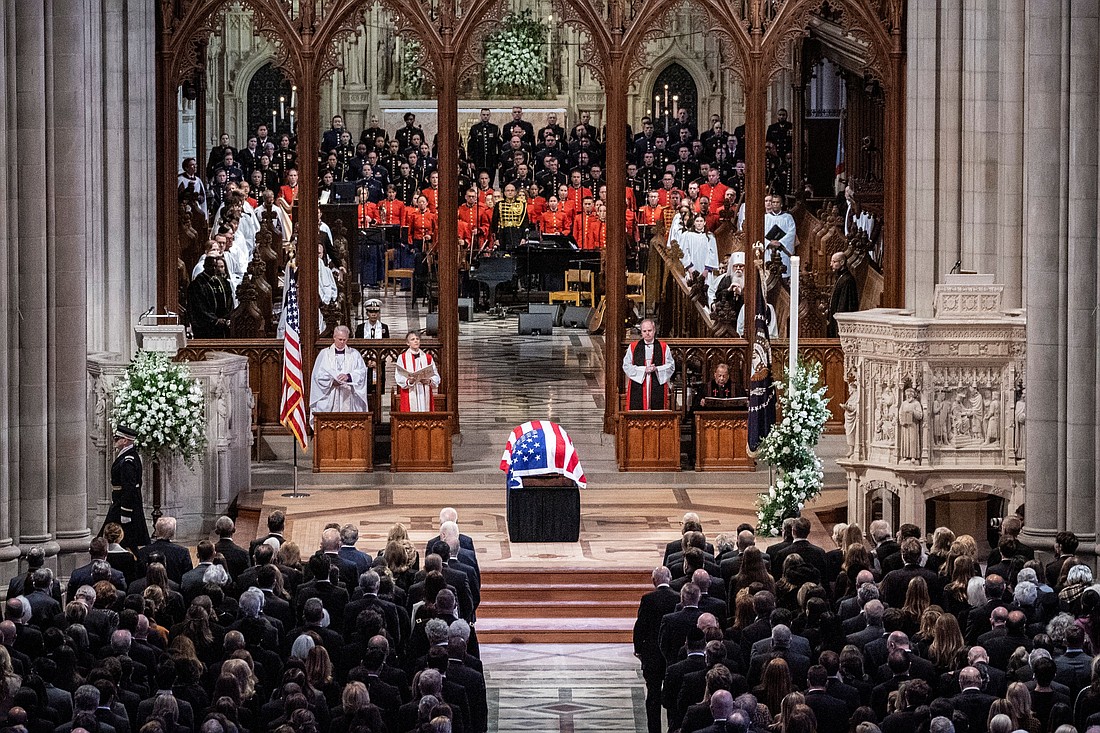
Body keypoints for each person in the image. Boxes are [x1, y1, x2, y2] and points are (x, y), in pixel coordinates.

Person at [309, 325, 370, 424]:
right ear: (334, 337)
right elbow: (318, 376)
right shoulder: (324, 354)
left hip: (348, 395)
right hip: (330, 395)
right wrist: (331, 381)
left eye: (344, 340)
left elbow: (361, 372)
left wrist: (349, 377)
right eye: (340, 339)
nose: (342, 342)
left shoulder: (354, 354)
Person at [101, 425, 150, 550]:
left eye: (117, 439)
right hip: (120, 501)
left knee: (116, 538)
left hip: (124, 505)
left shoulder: (128, 460)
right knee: (127, 539)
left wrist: (125, 511)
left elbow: (129, 488)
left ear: (125, 441)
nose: (115, 441)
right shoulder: (127, 456)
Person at [622, 319, 675, 410]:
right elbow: (626, 366)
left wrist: (657, 369)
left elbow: (671, 366)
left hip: (657, 381)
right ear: (641, 332)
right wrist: (643, 370)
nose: (647, 333)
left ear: (654, 330)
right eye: (644, 331)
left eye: (649, 330)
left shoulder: (663, 347)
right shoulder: (634, 347)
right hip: (639, 382)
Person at [187, 255, 233, 338]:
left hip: (223, 326)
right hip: (207, 328)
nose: (214, 269)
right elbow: (199, 307)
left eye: (216, 266)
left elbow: (230, 301)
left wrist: (227, 318)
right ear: (205, 266)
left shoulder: (223, 282)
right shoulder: (197, 285)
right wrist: (215, 320)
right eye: (211, 266)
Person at [395, 332, 440, 412]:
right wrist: (409, 381)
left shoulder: (428, 357)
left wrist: (429, 381)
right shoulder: (402, 358)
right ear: (407, 343)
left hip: (424, 391)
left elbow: (436, 376)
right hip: (409, 391)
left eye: (417, 339)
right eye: (412, 339)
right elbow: (398, 376)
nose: (416, 341)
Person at [828, 251, 859, 337]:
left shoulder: (847, 280)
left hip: (841, 323)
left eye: (834, 262)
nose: (831, 264)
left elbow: (844, 304)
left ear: (842, 262)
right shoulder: (840, 277)